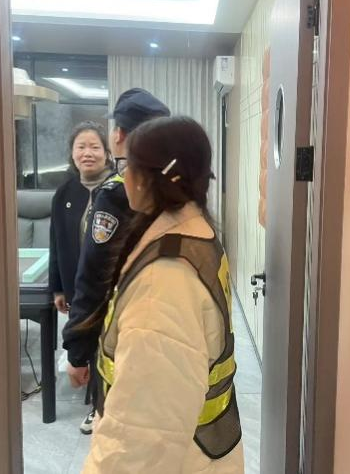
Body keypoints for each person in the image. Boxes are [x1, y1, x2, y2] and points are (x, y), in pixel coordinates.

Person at [82, 116, 244, 473]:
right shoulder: (193, 234)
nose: (124, 177)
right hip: (196, 450)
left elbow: (142, 434)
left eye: (127, 166)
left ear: (147, 178)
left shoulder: (164, 282)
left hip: (181, 459)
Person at [62, 88, 170, 434]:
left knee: (118, 428)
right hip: (168, 333)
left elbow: (94, 278)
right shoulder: (177, 188)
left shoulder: (118, 194)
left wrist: (77, 352)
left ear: (119, 136)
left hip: (123, 333)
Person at [49, 121, 112, 316]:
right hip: (76, 290)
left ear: (106, 153)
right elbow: (56, 243)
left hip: (112, 290)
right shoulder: (64, 193)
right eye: (81, 147)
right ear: (72, 153)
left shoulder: (119, 189)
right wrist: (57, 288)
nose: (87, 153)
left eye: (95, 147)